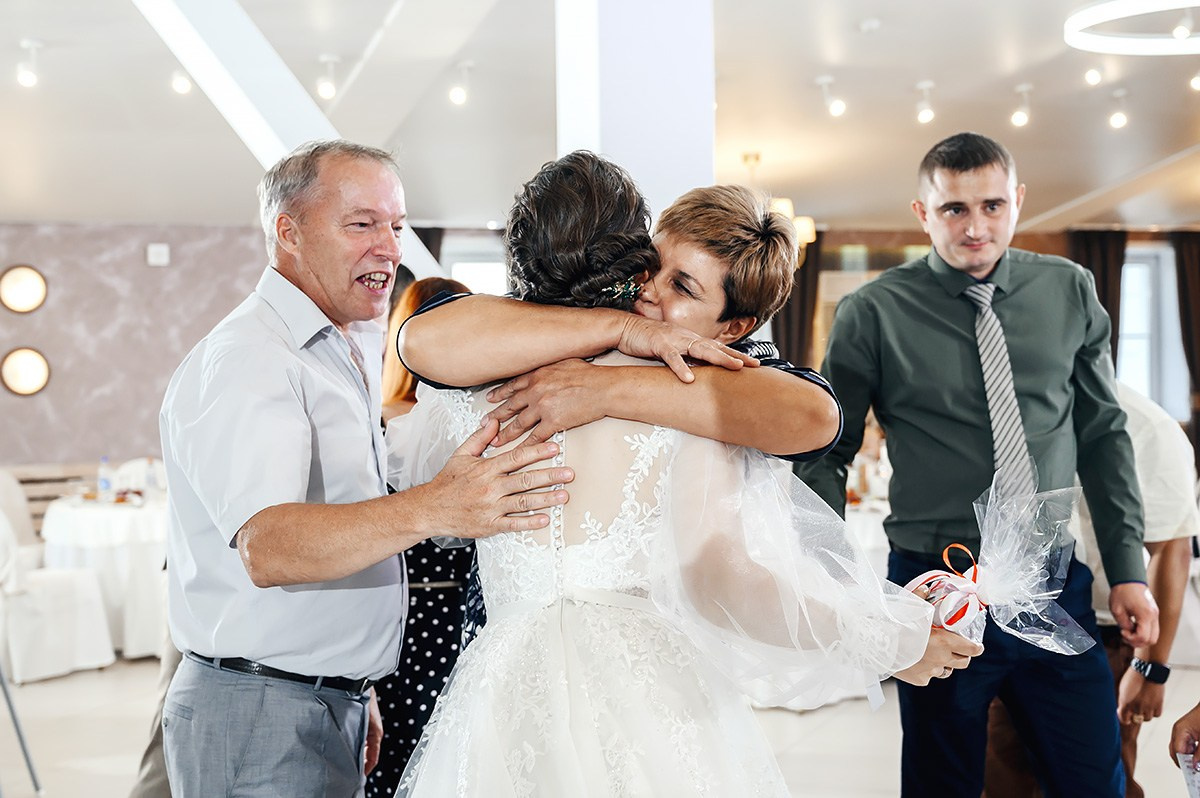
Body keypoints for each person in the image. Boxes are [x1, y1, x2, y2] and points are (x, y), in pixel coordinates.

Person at [389, 151, 980, 796]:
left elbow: (806, 430)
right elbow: (422, 340)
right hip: (519, 689)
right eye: (653, 265)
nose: (649, 291)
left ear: (738, 326)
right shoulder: (516, 345)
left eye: (684, 287)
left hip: (612, 689)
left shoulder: (710, 403)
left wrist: (877, 634)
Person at [158, 139, 574, 798]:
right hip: (262, 712)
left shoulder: (335, 349)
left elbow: (341, 523)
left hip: (315, 699)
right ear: (287, 232)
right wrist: (438, 506)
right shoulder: (254, 358)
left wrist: (353, 684)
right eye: (362, 224)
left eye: (397, 226)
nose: (389, 247)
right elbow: (271, 546)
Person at [796, 131, 1158, 797]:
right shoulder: (872, 313)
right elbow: (826, 454)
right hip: (936, 592)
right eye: (954, 209)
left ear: (1017, 201)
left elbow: (1104, 436)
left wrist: (1129, 571)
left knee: (1093, 780)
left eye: (992, 206)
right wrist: (835, 584)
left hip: (1056, 586)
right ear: (922, 212)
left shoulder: (1071, 290)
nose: (975, 227)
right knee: (944, 784)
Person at [986, 381, 1198, 797]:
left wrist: (1149, 668)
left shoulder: (1148, 428)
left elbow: (1171, 548)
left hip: (1106, 635)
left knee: (1101, 778)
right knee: (1003, 770)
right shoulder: (1004, 409)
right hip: (1014, 619)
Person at [368, 276, 472, 797]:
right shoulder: (476, 423)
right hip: (457, 618)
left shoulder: (377, 425)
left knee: (395, 760)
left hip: (394, 619)